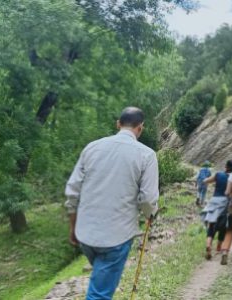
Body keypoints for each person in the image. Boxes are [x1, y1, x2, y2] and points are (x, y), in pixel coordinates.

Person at [65, 107, 159, 300]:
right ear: (140, 128)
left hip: (86, 235)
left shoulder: (91, 147)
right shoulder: (147, 155)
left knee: (100, 282)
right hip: (116, 236)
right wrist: (150, 215)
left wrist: (73, 226)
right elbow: (148, 199)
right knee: (99, 294)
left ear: (118, 124)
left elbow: (73, 191)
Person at [201, 160, 232, 259]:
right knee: (223, 225)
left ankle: (208, 245)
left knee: (211, 225)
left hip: (214, 201)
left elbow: (206, 181)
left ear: (226, 166)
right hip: (225, 203)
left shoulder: (218, 174)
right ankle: (219, 246)